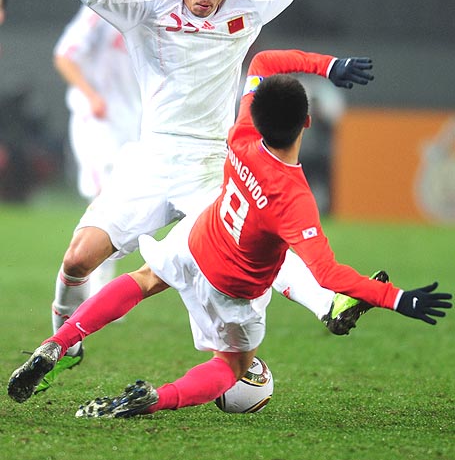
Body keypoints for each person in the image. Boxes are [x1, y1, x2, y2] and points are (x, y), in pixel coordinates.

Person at [7, 50, 452, 412]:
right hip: (232, 289)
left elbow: (261, 63)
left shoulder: (241, 135)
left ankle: (58, 343)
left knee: (143, 279)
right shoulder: (294, 198)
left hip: (199, 237)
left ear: (256, 114)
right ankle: (155, 399)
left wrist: (327, 65)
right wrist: (400, 299)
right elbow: (330, 273)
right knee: (233, 365)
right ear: (307, 124)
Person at [43, 0, 375, 389]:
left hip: (209, 167)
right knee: (78, 261)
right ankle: (64, 340)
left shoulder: (248, 1)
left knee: (252, 243)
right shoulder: (150, 1)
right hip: (151, 160)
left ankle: (329, 304)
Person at [53, 0, 159, 297]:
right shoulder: (100, 12)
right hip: (97, 119)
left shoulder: (154, 14)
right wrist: (91, 95)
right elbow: (64, 55)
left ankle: (91, 274)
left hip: (136, 120)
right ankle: (92, 281)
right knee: (104, 193)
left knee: (123, 195)